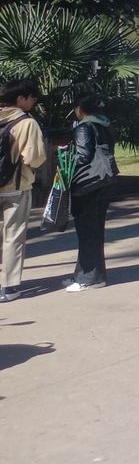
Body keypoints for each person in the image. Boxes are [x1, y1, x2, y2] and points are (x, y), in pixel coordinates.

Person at [66, 92, 119, 291]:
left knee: (87, 231)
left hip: (87, 183)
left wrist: (64, 156)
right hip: (104, 181)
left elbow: (83, 156)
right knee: (95, 230)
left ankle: (90, 277)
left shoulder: (84, 127)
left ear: (79, 110)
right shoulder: (104, 125)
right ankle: (85, 273)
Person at [0, 79, 47, 303]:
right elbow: (33, 158)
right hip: (15, 187)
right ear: (21, 98)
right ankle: (9, 286)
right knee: (13, 237)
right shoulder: (26, 123)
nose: (33, 101)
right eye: (31, 97)